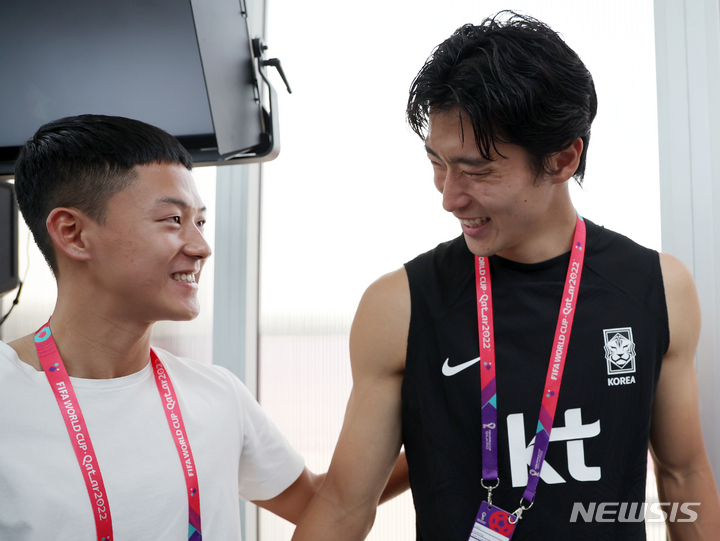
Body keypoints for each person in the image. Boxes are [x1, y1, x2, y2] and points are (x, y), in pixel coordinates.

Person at [291, 12, 720, 541]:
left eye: (475, 170)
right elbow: (344, 505)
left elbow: (682, 475)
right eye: (437, 163)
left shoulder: (657, 288)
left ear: (563, 158)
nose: (450, 197)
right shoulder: (399, 304)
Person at [0, 114, 406, 540]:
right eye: (173, 220)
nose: (201, 247)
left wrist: (462, 426)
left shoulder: (216, 394)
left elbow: (326, 503)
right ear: (73, 234)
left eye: (200, 222)